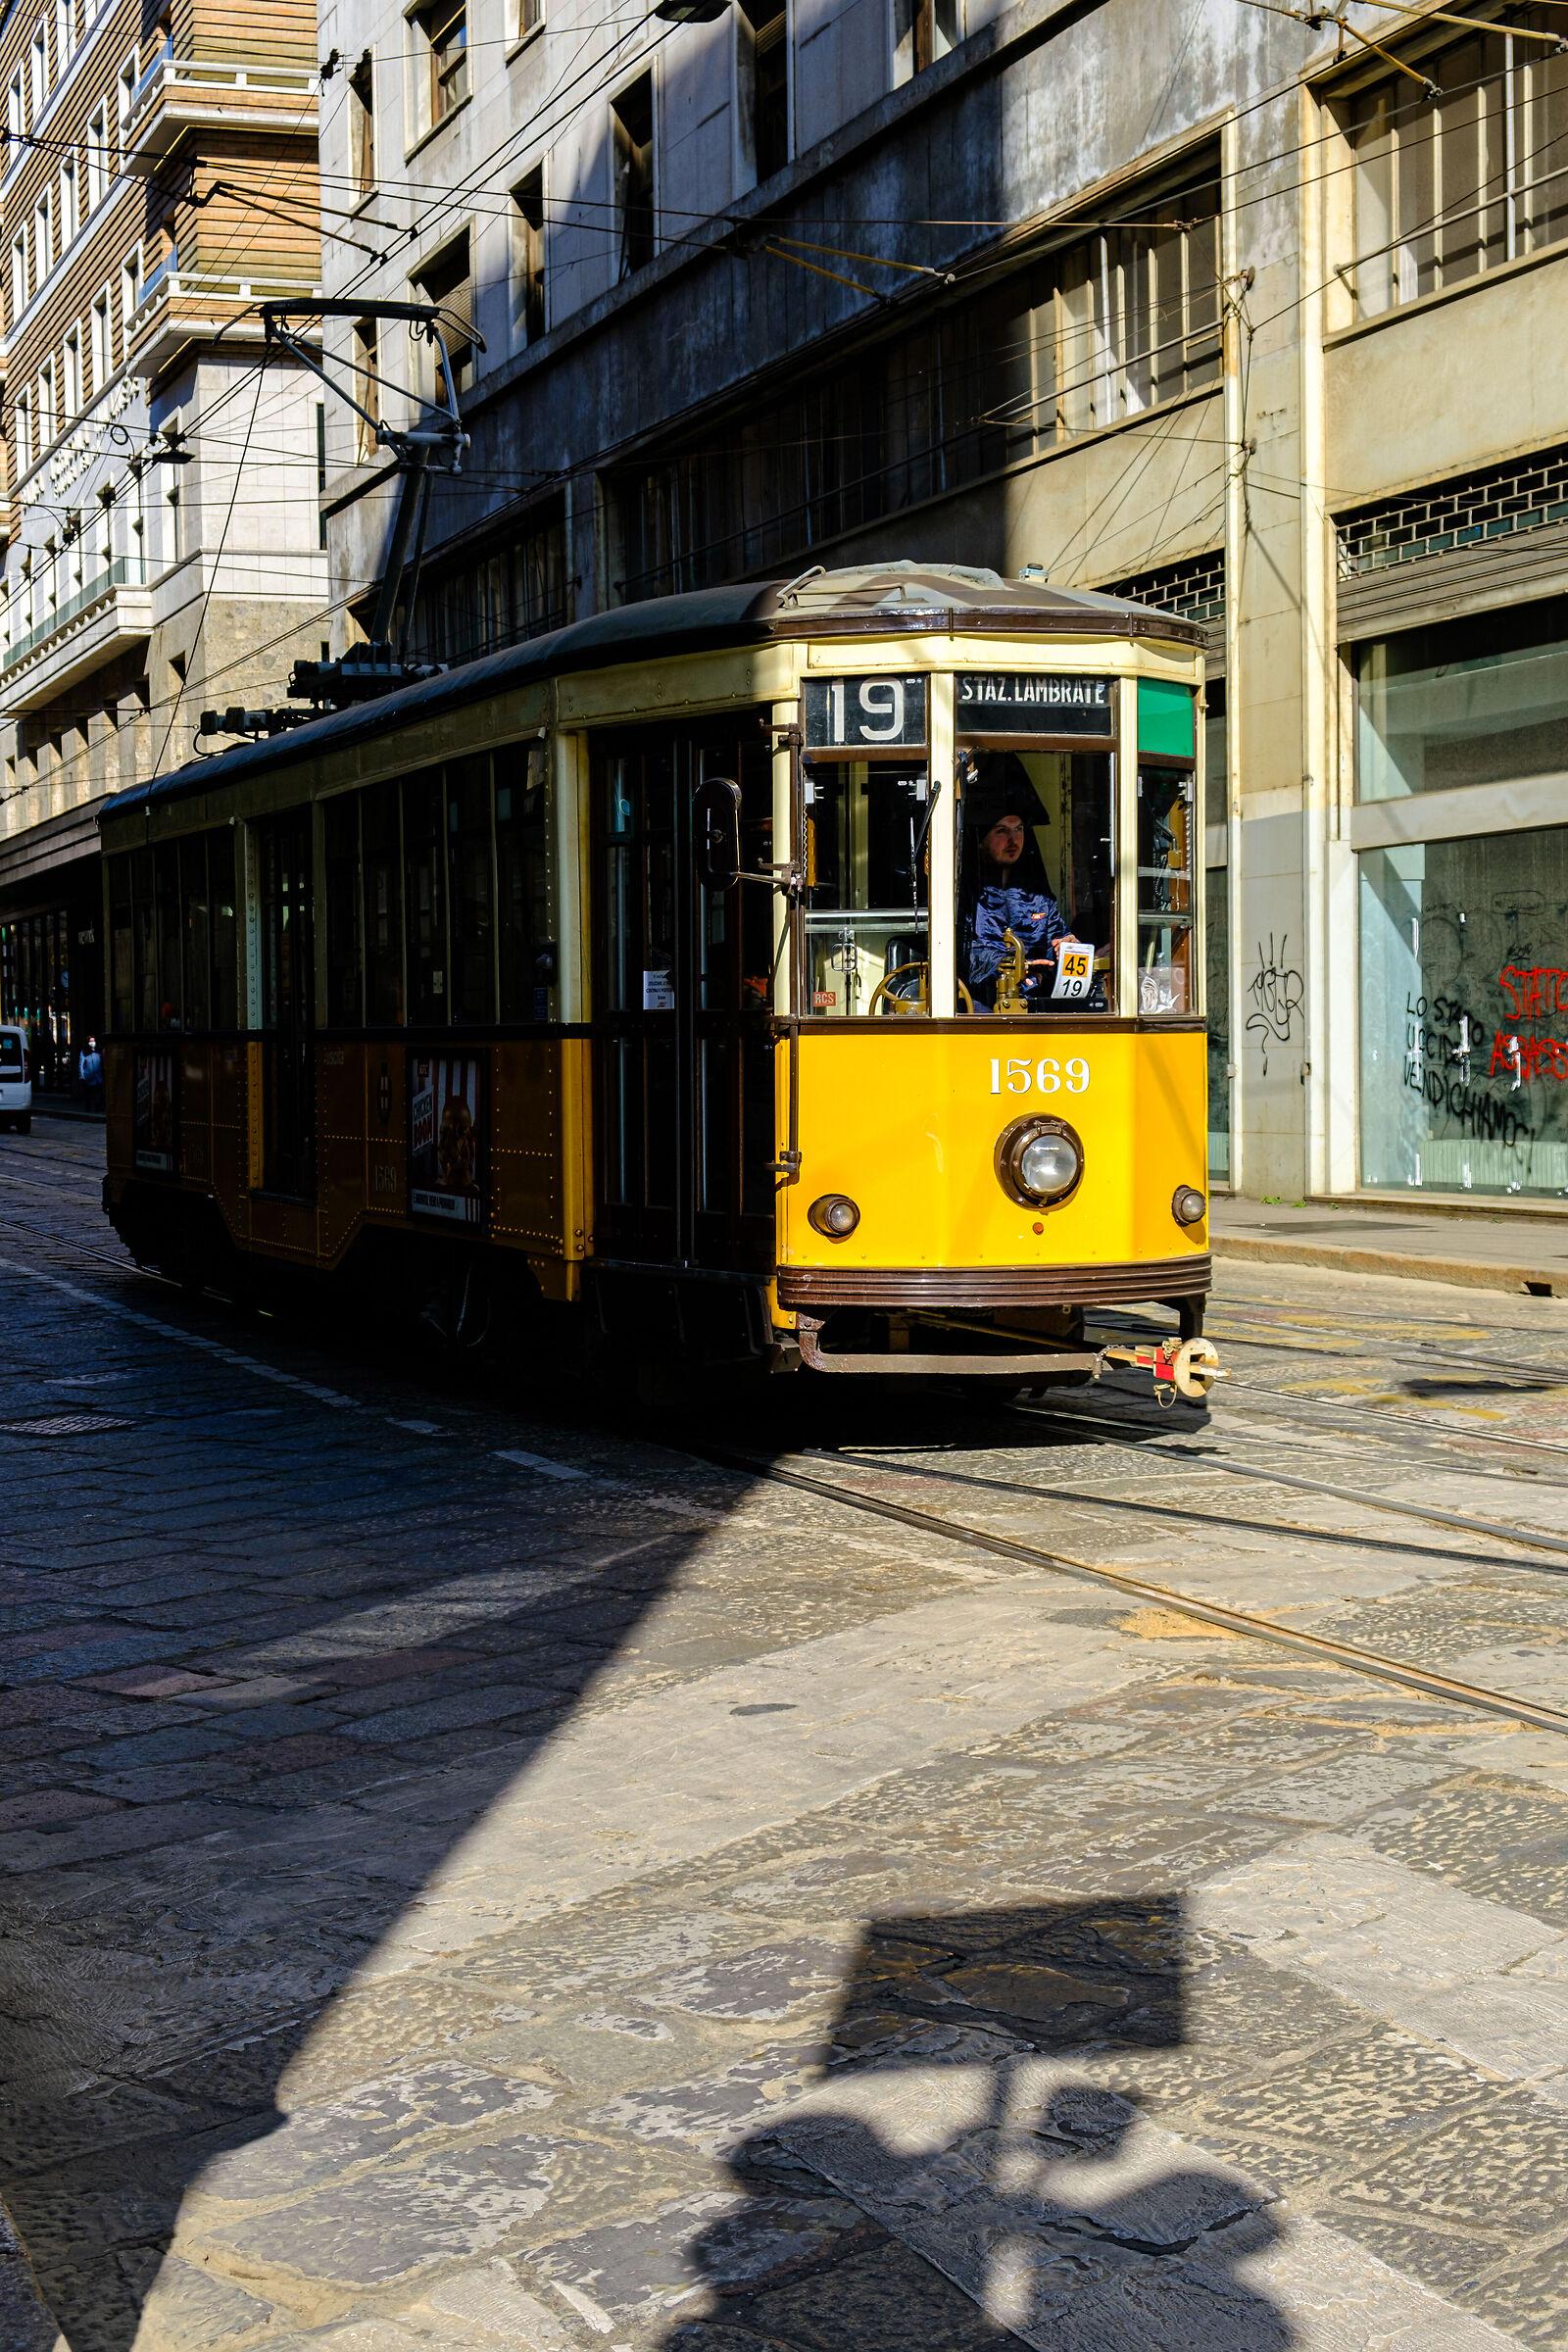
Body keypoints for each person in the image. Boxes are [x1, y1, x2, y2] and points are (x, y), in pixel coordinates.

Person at [959, 765, 1088, 1010]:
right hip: (979, 1005)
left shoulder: (1038, 893)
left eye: (1018, 829)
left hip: (1034, 1004)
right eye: (1002, 831)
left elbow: (1054, 938)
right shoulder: (963, 892)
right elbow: (961, 954)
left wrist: (1067, 946)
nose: (1013, 840)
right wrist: (1010, 965)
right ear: (979, 841)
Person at [78, 1036, 103, 1113]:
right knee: (88, 1094)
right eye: (90, 1041)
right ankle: (88, 1107)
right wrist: (82, 1075)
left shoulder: (99, 1050)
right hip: (88, 1076)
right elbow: (81, 1064)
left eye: (93, 1041)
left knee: (98, 1093)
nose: (92, 1043)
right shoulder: (84, 1051)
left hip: (98, 1076)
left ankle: (97, 1107)